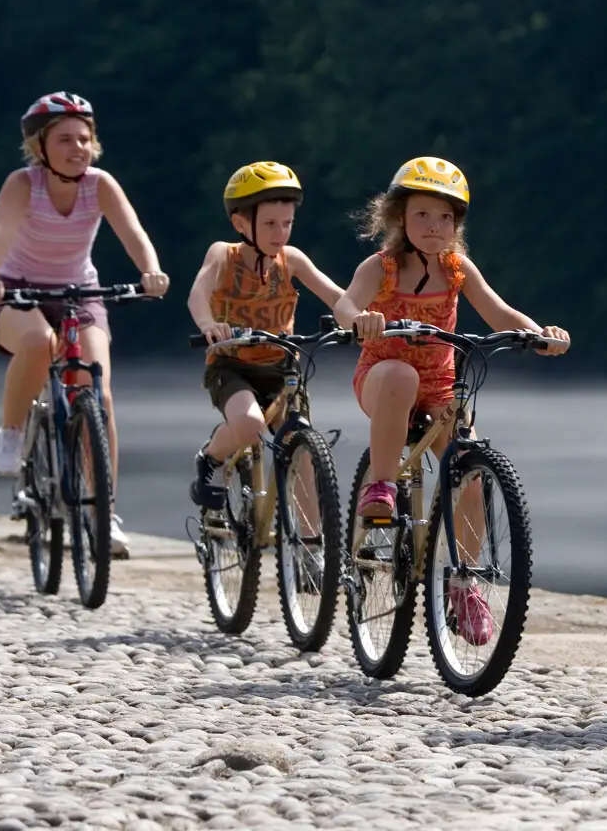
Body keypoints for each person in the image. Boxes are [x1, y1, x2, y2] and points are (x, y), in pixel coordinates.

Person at [342, 156, 569, 645]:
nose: (434, 226)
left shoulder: (456, 268)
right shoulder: (379, 267)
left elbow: (499, 311)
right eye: (422, 214)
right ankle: (380, 486)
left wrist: (538, 334)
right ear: (399, 216)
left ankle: (465, 583)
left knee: (467, 472)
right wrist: (359, 318)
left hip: (440, 388)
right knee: (400, 373)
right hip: (382, 380)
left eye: (445, 217)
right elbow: (345, 303)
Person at [0, 91, 169, 559]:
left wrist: (151, 270)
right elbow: (0, 235)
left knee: (97, 393)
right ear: (40, 147)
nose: (77, 148)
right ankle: (13, 432)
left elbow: (133, 233)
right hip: (18, 291)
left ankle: (105, 515)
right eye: (64, 139)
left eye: (84, 139)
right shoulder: (23, 185)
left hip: (80, 292)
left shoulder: (99, 185)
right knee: (39, 342)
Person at [187, 161, 383, 521]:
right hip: (233, 366)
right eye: (270, 224)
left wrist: (361, 318)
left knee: (303, 454)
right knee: (248, 424)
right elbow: (197, 293)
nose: (281, 233)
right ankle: (212, 456)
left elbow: (338, 297)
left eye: (287, 223)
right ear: (241, 223)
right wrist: (208, 324)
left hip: (282, 368)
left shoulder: (290, 260)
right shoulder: (223, 255)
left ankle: (311, 551)